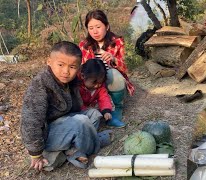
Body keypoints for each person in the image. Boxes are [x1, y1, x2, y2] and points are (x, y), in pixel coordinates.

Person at [20, 41, 111, 171]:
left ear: (79, 68)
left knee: (94, 114)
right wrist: (35, 153)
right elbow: (31, 121)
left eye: (72, 67)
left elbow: (76, 106)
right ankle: (93, 143)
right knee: (81, 121)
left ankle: (75, 149)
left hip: (63, 122)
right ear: (49, 62)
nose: (66, 71)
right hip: (47, 135)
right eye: (61, 65)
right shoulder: (40, 84)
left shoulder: (72, 81)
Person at [79, 9, 134, 128]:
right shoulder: (84, 45)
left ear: (107, 26)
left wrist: (113, 59)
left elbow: (125, 68)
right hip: (94, 82)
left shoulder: (117, 42)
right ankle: (89, 110)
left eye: (98, 27)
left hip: (109, 80)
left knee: (113, 74)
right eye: (91, 28)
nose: (95, 31)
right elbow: (83, 69)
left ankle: (117, 107)